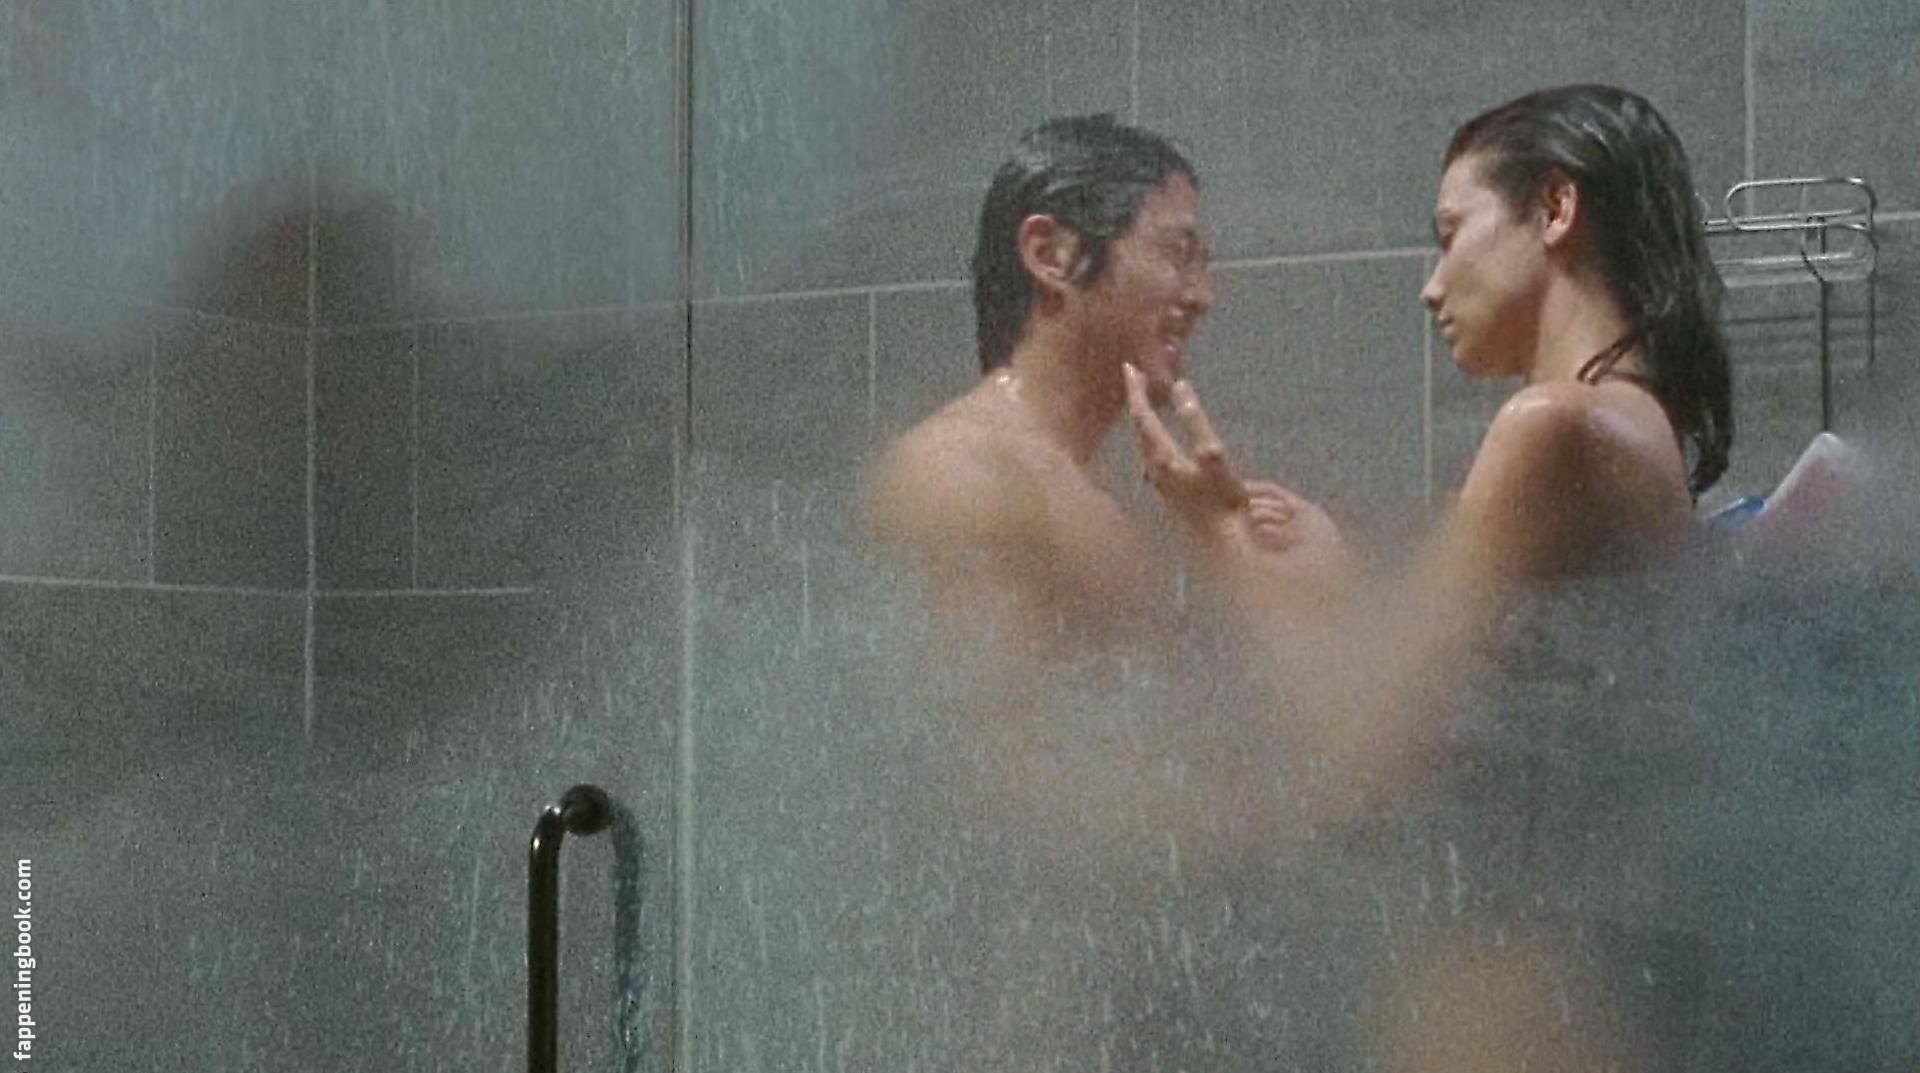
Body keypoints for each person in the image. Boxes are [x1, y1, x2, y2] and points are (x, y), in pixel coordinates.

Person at [862, 113, 1226, 658]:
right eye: (1178, 254)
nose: (1202, 296)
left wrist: (1227, 538)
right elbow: (989, 715)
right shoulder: (960, 480)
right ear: (1051, 254)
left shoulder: (1084, 490)